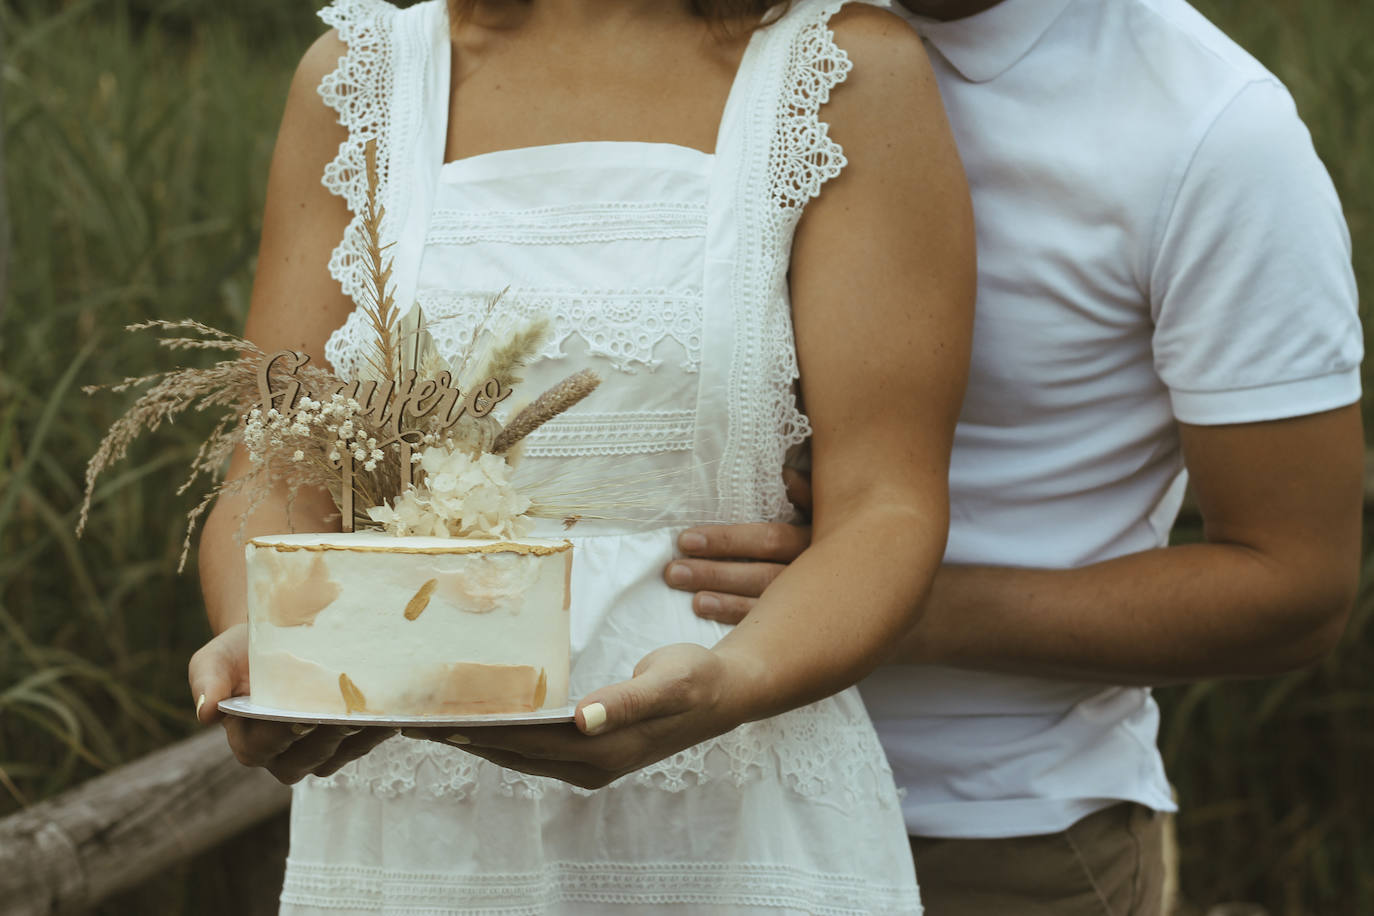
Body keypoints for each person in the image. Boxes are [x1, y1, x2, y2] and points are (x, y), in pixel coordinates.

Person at [188, 0, 974, 911]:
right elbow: (276, 471)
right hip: (416, 811)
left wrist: (735, 680)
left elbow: (889, 504)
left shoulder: (837, 67)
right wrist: (273, 646)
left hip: (733, 803)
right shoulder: (361, 75)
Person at [659, 0, 1365, 912]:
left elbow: (1294, 587)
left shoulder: (1216, 127)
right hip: (674, 799)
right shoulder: (720, 27)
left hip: (988, 839)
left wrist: (877, 603)